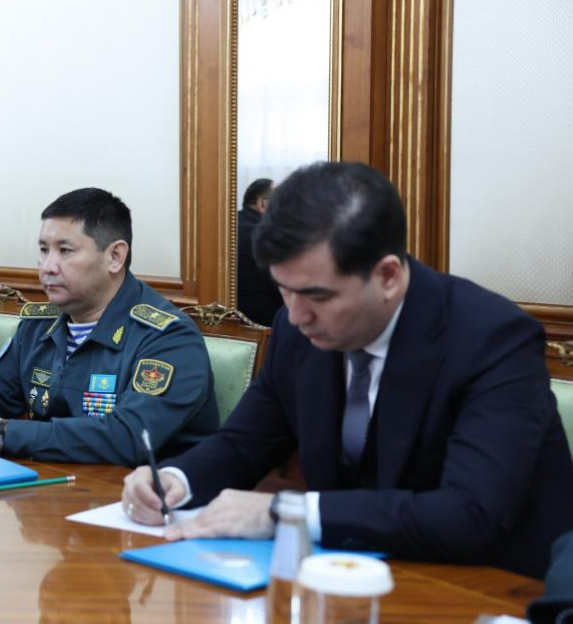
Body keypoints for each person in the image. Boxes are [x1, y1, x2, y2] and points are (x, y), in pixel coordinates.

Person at [121, 161, 573, 579]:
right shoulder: (296, 330)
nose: (296, 315)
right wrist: (175, 480)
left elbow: (471, 513)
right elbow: (244, 443)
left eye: (318, 296)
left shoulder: (492, 339)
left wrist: (286, 513)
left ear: (388, 276)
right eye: (284, 289)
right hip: (345, 574)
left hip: (487, 586)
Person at [0, 188, 217, 466]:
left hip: (139, 493)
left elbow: (128, 437)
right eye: (44, 250)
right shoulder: (38, 326)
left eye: (65, 251)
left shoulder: (167, 337)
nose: (48, 266)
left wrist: (2, 434)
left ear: (115, 257)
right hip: (52, 484)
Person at [236, 178, 283, 326]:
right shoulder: (266, 235)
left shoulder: (227, 224)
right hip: (265, 320)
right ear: (262, 204)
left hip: (230, 316)